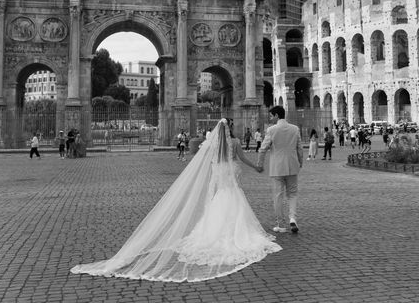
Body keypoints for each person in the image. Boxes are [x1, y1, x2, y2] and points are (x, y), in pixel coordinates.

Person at [71, 118, 280, 282]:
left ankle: (213, 232)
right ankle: (235, 232)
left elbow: (207, 163)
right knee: (234, 198)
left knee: (220, 200)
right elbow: (242, 159)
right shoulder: (234, 142)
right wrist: (256, 167)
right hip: (231, 173)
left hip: (220, 173)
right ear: (231, 129)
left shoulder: (215, 145)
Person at [257, 106, 303, 233]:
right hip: (292, 165)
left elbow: (263, 148)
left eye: (271, 116)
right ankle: (293, 218)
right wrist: (300, 161)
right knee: (292, 194)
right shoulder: (295, 129)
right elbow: (299, 148)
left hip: (277, 167)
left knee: (278, 195)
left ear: (277, 115)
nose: (270, 118)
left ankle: (280, 224)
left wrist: (260, 164)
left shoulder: (271, 130)